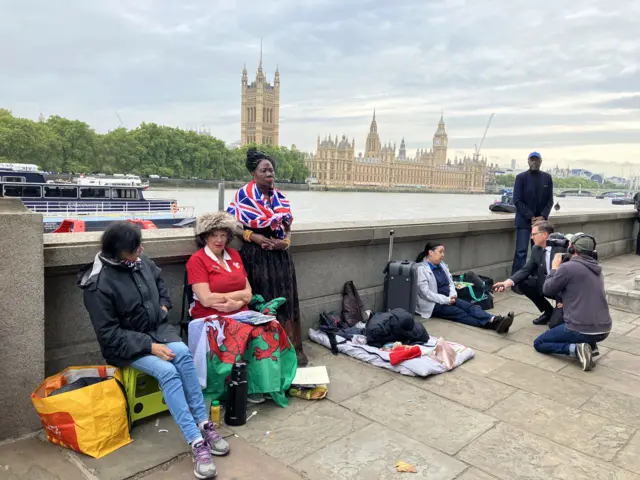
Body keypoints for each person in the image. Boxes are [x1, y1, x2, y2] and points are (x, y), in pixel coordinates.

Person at [78, 222, 229, 480]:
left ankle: (204, 423)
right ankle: (195, 442)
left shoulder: (139, 261)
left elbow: (159, 283)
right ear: (119, 251)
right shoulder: (98, 283)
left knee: (183, 354)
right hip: (127, 345)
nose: (141, 249)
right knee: (168, 372)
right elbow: (109, 335)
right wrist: (149, 346)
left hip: (157, 328)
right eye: (136, 248)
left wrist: (164, 307)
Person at [227, 148, 308, 366]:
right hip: (256, 258)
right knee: (262, 303)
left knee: (285, 301)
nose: (269, 173)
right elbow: (233, 225)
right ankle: (264, 352)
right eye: (264, 170)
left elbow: (288, 226)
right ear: (254, 174)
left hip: (280, 257)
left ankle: (288, 349)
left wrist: (286, 242)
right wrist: (253, 237)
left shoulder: (280, 198)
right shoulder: (243, 195)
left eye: (271, 169)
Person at [533, 234, 611, 371]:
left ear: (572, 249)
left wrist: (554, 268)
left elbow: (547, 289)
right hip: (604, 329)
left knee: (539, 343)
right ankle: (590, 345)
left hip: (582, 328)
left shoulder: (568, 268)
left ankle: (577, 349)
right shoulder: (597, 268)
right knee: (558, 323)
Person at [415, 242, 515, 333]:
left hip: (449, 298)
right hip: (434, 304)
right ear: (430, 252)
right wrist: (446, 300)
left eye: (443, 252)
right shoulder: (421, 269)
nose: (443, 255)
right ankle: (495, 325)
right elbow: (426, 294)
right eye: (440, 252)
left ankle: (495, 319)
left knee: (470, 307)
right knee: (460, 313)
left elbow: (450, 282)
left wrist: (452, 294)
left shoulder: (441, 265)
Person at [493, 221, 562, 325]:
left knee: (554, 326)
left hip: (562, 291)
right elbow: (526, 270)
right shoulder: (536, 249)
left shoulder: (561, 249)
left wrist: (564, 301)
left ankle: (560, 312)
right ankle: (548, 311)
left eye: (534, 234)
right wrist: (507, 283)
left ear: (544, 235)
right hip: (546, 285)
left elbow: (573, 279)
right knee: (523, 282)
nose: (531, 237)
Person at [186, 211, 252, 320]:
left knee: (272, 330)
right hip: (212, 316)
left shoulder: (234, 254)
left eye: (223, 235)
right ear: (205, 237)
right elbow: (206, 300)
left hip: (241, 312)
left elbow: (248, 292)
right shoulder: (197, 260)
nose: (219, 240)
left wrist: (237, 304)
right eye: (214, 235)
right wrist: (241, 295)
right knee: (255, 336)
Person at [511, 152, 554, 276]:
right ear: (528, 161)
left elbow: (550, 200)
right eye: (532, 160)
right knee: (521, 251)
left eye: (537, 160)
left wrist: (542, 217)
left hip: (541, 223)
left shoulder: (547, 178)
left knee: (539, 250)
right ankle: (517, 282)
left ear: (541, 161)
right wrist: (530, 216)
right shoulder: (521, 177)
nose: (534, 162)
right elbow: (517, 200)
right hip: (524, 221)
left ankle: (537, 278)